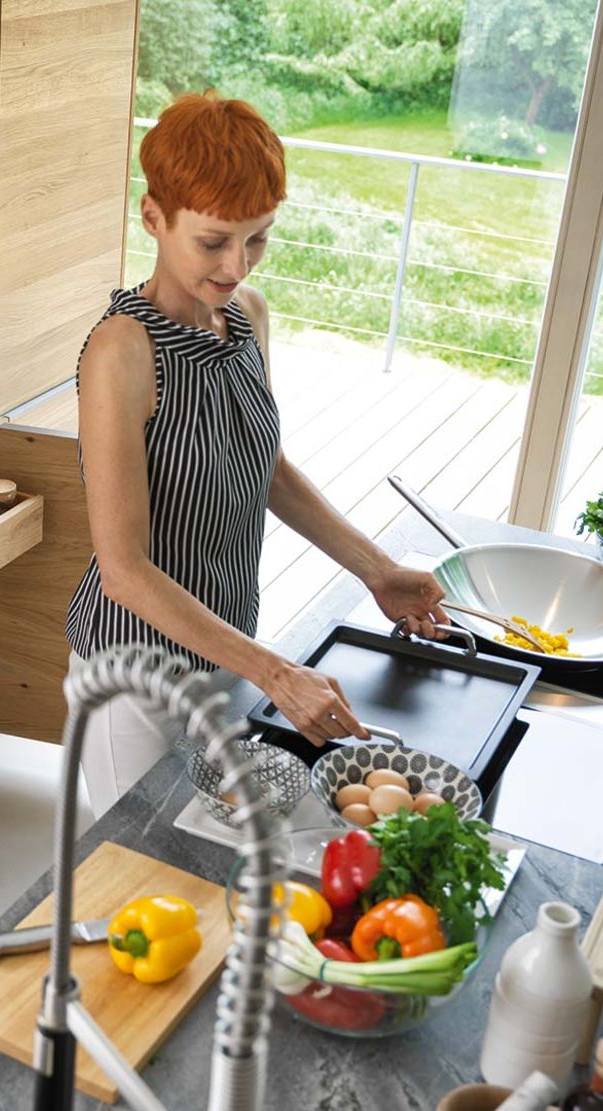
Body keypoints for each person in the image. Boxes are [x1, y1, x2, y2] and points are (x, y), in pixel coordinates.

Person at [67, 92, 448, 817]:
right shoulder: (120, 352)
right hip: (136, 676)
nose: (237, 264)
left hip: (227, 649)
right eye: (214, 241)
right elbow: (122, 571)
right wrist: (275, 671)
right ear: (154, 218)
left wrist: (378, 569)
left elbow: (263, 464)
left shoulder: (246, 317)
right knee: (148, 876)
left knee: (215, 865)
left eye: (258, 239)